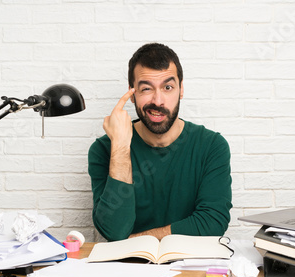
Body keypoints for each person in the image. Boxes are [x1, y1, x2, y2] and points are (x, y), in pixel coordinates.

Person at [88, 43, 232, 241]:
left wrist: (138, 240)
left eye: (168, 87)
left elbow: (213, 222)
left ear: (181, 90)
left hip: (192, 265)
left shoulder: (212, 146)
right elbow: (113, 231)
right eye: (146, 88)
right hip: (127, 268)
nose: (158, 101)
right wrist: (120, 147)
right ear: (132, 94)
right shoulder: (104, 149)